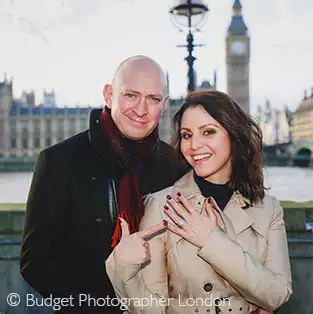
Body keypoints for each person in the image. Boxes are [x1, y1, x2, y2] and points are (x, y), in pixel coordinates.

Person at [20, 55, 188, 314]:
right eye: (131, 95)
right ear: (109, 95)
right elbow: (36, 263)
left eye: (153, 99)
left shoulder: (176, 166)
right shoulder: (59, 161)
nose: (142, 110)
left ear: (164, 104)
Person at [105, 90, 293, 314]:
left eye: (208, 132)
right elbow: (152, 308)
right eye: (187, 135)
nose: (194, 145)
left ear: (234, 135)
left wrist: (211, 241)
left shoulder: (268, 208)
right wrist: (124, 266)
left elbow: (278, 294)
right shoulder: (163, 205)